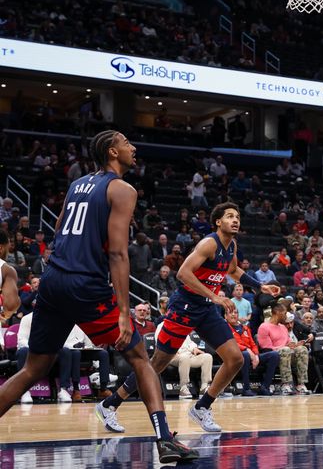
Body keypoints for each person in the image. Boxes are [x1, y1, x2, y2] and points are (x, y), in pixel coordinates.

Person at [0, 131, 196, 463]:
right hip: (85, 284)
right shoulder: (122, 189)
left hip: (53, 280)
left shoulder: (78, 185)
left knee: (33, 369)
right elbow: (119, 254)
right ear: (112, 151)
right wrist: (123, 311)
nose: (133, 147)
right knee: (140, 357)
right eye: (126, 143)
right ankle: (165, 440)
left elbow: (61, 225)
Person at [98, 202, 278, 434]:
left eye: (238, 216)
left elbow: (233, 271)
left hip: (205, 309)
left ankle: (202, 407)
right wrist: (215, 296)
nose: (236, 220)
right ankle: (110, 403)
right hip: (184, 307)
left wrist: (259, 286)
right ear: (217, 222)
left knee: (235, 358)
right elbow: (183, 273)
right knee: (157, 364)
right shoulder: (209, 243)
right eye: (230, 216)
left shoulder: (231, 245)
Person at [226, 309, 279, 396]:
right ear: (225, 316)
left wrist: (256, 355)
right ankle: (246, 388)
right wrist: (246, 349)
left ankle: (265, 387)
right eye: (230, 313)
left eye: (235, 313)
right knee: (245, 355)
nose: (233, 315)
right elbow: (230, 343)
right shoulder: (225, 328)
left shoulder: (245, 328)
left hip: (251, 355)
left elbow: (253, 344)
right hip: (235, 356)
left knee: (274, 355)